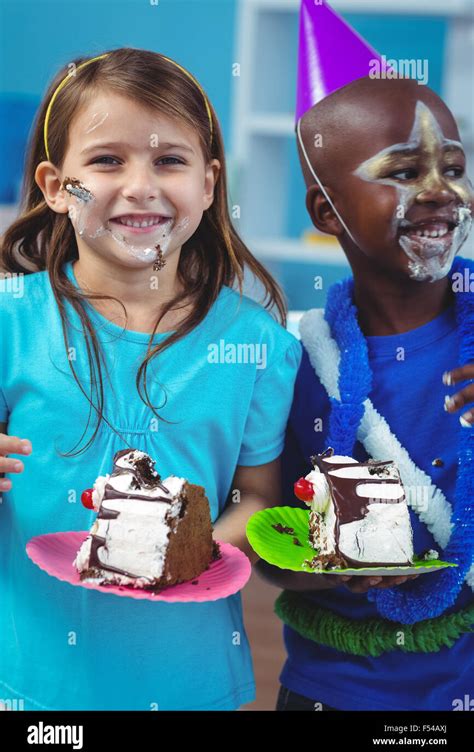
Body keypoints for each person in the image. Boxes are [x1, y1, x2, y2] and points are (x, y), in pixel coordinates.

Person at [0, 47, 302, 710]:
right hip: (31, 684)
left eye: (169, 160)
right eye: (108, 160)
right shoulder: (9, 319)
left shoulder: (258, 346)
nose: (141, 185)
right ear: (55, 187)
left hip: (191, 683)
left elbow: (255, 496)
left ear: (208, 184)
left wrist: (181, 553)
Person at [257, 70, 474, 711]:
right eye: (404, 172)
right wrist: (338, 566)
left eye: (453, 168)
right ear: (327, 211)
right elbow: (271, 545)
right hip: (334, 692)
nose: (441, 192)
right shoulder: (295, 368)